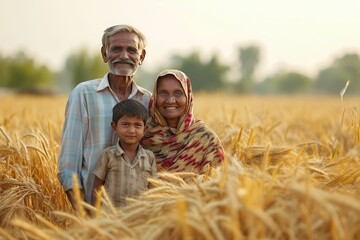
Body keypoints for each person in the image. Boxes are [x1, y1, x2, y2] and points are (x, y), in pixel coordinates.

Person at [57, 24, 152, 208]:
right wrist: (86, 218)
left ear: (141, 57)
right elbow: (69, 167)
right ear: (104, 53)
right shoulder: (83, 94)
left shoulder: (148, 100)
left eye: (131, 50)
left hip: (138, 217)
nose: (124, 56)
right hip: (93, 212)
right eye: (116, 48)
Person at [142, 69, 225, 175]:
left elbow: (217, 185)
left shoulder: (207, 140)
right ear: (154, 97)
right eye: (163, 93)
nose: (170, 100)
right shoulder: (142, 136)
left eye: (178, 93)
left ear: (188, 97)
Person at [91, 99, 157, 208]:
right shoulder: (108, 155)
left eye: (137, 125)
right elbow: (97, 189)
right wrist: (94, 215)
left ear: (145, 130)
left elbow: (154, 190)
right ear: (114, 127)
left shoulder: (149, 157)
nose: (131, 130)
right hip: (110, 219)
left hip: (139, 219)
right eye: (126, 124)